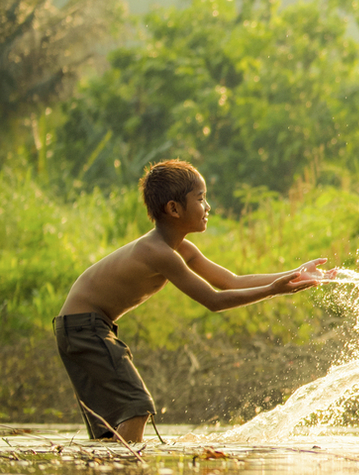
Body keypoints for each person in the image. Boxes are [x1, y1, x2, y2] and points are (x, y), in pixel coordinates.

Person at [56, 160, 334, 443]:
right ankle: (125, 472)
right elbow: (214, 300)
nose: (208, 206)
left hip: (84, 328)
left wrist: (297, 274)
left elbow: (231, 281)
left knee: (111, 425)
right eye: (200, 199)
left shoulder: (180, 248)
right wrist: (274, 290)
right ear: (174, 209)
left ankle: (110, 473)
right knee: (136, 407)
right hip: (84, 328)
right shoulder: (157, 252)